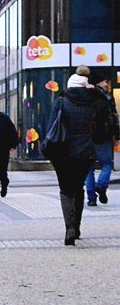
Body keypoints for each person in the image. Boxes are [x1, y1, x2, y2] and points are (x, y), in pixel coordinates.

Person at [47, 67, 107, 245]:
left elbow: (51, 125)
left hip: (62, 151)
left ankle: (69, 229)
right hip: (85, 151)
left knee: (66, 190)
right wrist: (96, 90)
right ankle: (77, 227)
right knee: (78, 188)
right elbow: (107, 102)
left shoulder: (61, 101)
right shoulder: (92, 102)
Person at [84, 70, 120, 207]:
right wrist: (117, 135)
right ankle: (102, 186)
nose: (106, 84)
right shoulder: (106, 98)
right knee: (107, 164)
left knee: (89, 169)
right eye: (104, 81)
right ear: (98, 83)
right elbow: (114, 118)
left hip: (87, 137)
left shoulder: (84, 97)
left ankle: (91, 198)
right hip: (103, 137)